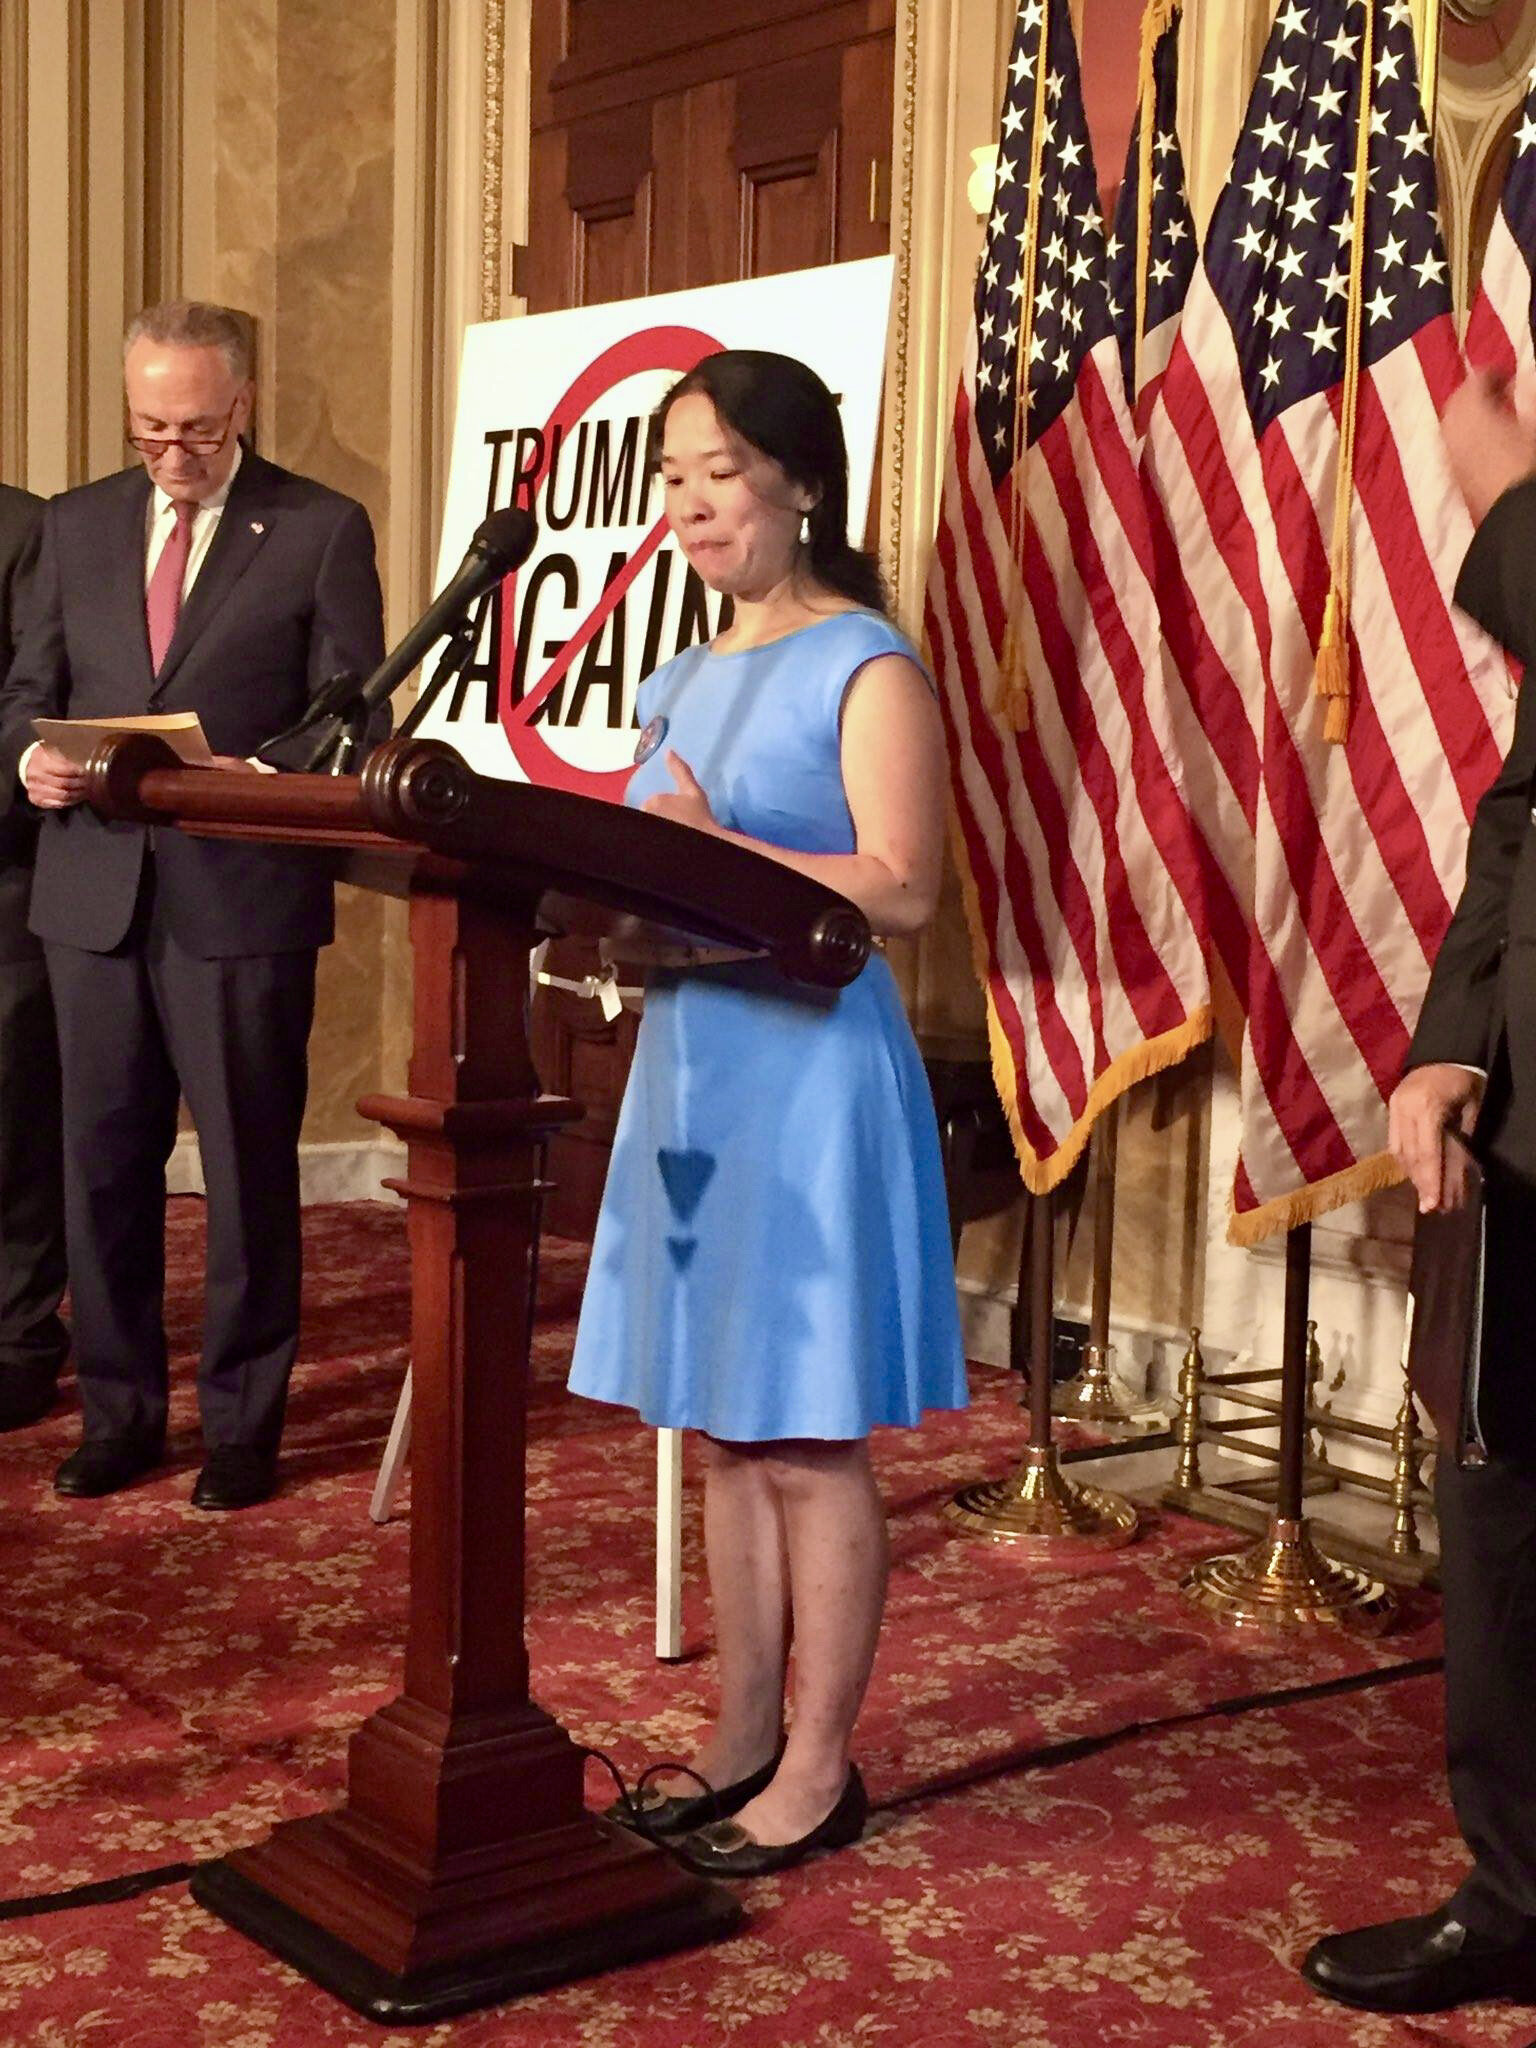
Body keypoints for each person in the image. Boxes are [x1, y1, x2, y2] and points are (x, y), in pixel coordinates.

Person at [567, 350, 967, 1879]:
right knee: (724, 1433)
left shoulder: (866, 660)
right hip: (690, 1061)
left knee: (805, 1435)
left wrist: (716, 851)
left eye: (719, 468)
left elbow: (905, 884)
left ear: (801, 481)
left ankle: (818, 1768)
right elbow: (651, 868)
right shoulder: (679, 677)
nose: (688, 501)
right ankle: (737, 1741)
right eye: (671, 474)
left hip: (806, 1075)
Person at [0, 299, 385, 1511]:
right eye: (149, 428)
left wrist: (273, 774)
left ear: (244, 404)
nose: (172, 453)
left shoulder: (321, 525)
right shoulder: (73, 526)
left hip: (241, 895)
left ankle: (242, 1424)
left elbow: (354, 708)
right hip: (92, 895)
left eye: (197, 431)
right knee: (100, 1167)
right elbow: (25, 694)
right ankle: (119, 1413)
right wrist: (28, 763)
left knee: (245, 1170)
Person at [1302, 368, 1536, 2014]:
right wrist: (1450, 1036)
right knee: (1502, 1506)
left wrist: (1513, 501)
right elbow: (1519, 811)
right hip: (1527, 1118)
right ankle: (1515, 1887)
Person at [0, 485, 67, 1431]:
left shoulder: (29, 528)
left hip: (5, 876)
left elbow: (36, 699)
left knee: (13, 1116)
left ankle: (17, 1343)